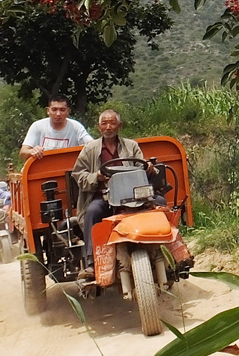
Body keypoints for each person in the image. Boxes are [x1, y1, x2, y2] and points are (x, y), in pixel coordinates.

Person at [71, 108, 157, 280]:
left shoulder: (131, 146)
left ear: (119, 126)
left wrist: (148, 168)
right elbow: (78, 175)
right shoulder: (90, 149)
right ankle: (92, 263)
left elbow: (142, 167)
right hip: (103, 196)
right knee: (92, 212)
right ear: (98, 127)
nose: (108, 127)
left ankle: (167, 251)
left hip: (132, 196)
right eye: (104, 123)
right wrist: (96, 176)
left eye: (112, 123)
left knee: (160, 205)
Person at [19, 96, 92, 161]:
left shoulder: (76, 127)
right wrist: (32, 151)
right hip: (41, 171)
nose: (58, 114)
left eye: (62, 110)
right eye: (54, 109)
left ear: (68, 111)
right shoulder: (37, 126)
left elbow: (92, 145)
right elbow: (23, 153)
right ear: (48, 110)